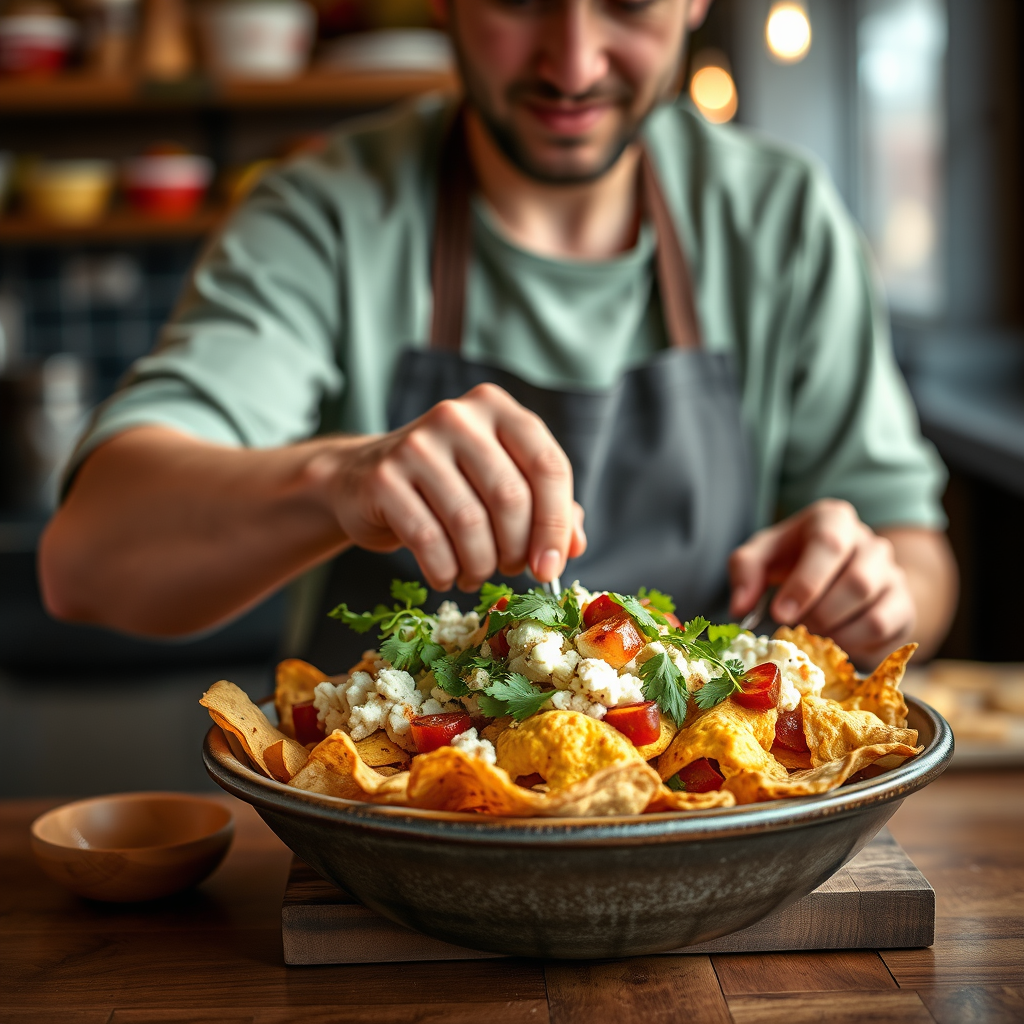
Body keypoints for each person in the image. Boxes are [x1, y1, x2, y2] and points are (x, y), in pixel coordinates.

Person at [39, 0, 957, 672]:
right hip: (393, 864)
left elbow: (919, 557)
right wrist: (337, 480)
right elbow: (84, 563)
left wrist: (877, 589)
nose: (572, 63)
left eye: (629, 4)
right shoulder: (323, 218)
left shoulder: (781, 217)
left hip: (719, 842)